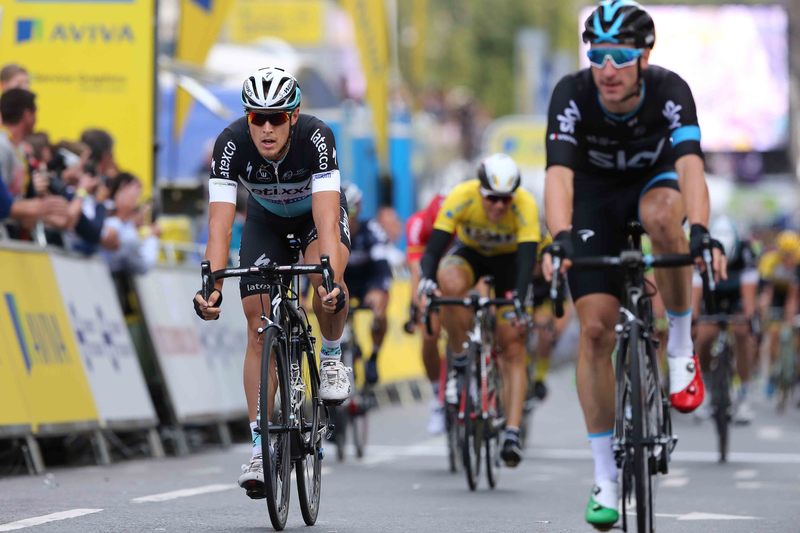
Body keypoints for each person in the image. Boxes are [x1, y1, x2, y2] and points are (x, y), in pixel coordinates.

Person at [541, 2, 726, 528]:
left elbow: (691, 166)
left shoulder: (671, 91)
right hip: (594, 200)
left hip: (654, 185)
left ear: (644, 55)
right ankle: (605, 475)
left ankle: (682, 348)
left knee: (665, 216)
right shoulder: (572, 95)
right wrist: (559, 240)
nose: (607, 69)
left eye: (620, 56)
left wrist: (702, 231)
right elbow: (559, 178)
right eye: (597, 55)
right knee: (596, 330)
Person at [191, 67, 351, 498]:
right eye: (257, 117)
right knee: (258, 324)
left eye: (276, 118)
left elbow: (326, 219)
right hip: (265, 224)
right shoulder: (230, 143)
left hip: (315, 219)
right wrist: (211, 286)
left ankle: (332, 354)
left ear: (293, 116)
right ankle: (262, 450)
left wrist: (329, 276)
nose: (265, 127)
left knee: (326, 282)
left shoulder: (318, 137)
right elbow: (221, 228)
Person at [419, 153, 540, 467]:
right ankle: (461, 355)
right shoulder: (462, 196)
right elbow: (434, 248)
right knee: (448, 282)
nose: (499, 206)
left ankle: (512, 432)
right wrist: (428, 283)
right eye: (492, 199)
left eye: (505, 200)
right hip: (470, 256)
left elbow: (527, 261)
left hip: (510, 265)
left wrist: (518, 301)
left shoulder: (525, 205)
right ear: (480, 190)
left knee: (512, 343)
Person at [691, 216, 759, 423]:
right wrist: (694, 319)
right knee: (703, 336)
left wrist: (748, 318)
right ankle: (706, 389)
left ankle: (744, 394)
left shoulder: (746, 252)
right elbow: (695, 294)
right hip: (711, 293)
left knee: (741, 333)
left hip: (736, 295)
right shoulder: (702, 253)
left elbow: (749, 298)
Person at [342, 183, 392, 385]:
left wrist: (378, 290)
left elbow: (382, 265)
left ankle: (373, 358)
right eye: (341, 211)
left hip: (369, 281)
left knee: (380, 308)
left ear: (359, 208)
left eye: (350, 210)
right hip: (343, 281)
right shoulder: (329, 232)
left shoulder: (371, 230)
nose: (346, 216)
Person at [405, 191, 447, 433]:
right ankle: (437, 396)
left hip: (454, 268)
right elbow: (416, 270)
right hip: (428, 273)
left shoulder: (460, 224)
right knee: (429, 333)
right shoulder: (417, 224)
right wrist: (416, 306)